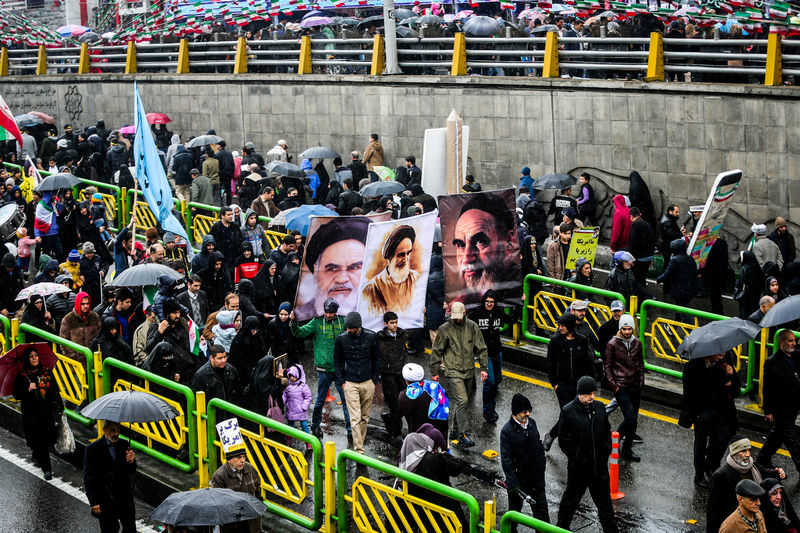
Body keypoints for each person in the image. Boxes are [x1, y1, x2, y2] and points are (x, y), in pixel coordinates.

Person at [555, 376, 618, 533]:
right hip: (579, 469)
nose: (592, 396)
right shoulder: (568, 412)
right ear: (580, 394)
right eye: (589, 394)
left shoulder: (600, 408)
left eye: (594, 393)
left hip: (599, 469)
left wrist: (606, 449)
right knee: (570, 502)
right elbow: (563, 440)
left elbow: (606, 432)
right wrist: (576, 456)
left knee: (605, 508)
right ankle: (560, 528)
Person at [430, 302, 488, 447]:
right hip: (453, 370)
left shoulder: (472, 326)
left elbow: (481, 348)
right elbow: (437, 350)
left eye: (459, 316)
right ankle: (464, 434)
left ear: (464, 313)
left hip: (468, 369)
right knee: (462, 400)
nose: (457, 319)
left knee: (463, 402)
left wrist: (484, 368)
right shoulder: (445, 329)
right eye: (454, 317)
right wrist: (435, 371)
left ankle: (454, 430)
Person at [291, 298, 351, 438]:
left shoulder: (343, 321)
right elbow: (299, 333)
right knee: (320, 400)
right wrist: (293, 322)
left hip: (340, 368)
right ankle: (315, 426)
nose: (328, 315)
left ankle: (350, 429)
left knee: (346, 400)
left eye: (331, 313)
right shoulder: (317, 322)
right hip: (324, 369)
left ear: (336, 312)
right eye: (326, 312)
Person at [681, 351, 740, 487]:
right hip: (702, 411)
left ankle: (711, 465)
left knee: (724, 437)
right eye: (718, 351)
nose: (722, 353)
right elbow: (692, 391)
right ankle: (699, 474)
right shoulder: (693, 367)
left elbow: (736, 389)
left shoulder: (726, 362)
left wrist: (731, 377)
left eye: (723, 351)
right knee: (700, 444)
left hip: (723, 410)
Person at [451, 194, 521, 306]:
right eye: (460, 245)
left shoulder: (523, 285)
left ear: (508, 241)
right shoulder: (461, 302)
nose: (467, 258)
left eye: (480, 242)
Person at [295, 217, 370, 319]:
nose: (342, 279)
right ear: (316, 271)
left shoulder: (382, 312)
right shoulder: (301, 317)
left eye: (354, 267)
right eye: (332, 269)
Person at [708, 436, 786, 533]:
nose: (748, 454)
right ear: (734, 453)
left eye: (749, 450)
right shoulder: (721, 475)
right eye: (743, 451)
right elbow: (713, 510)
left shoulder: (753, 466)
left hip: (753, 516)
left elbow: (766, 473)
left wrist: (779, 473)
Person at [543, 313, 593, 451]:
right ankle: (555, 437)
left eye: (563, 325)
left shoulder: (582, 340)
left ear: (570, 326)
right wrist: (555, 384)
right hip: (562, 385)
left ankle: (555, 435)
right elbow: (550, 363)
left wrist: (588, 382)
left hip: (577, 385)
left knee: (572, 413)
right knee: (569, 412)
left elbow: (587, 362)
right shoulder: (555, 341)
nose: (560, 328)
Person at [500, 393, 549, 529]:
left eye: (529, 410)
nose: (528, 414)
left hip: (536, 480)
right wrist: (513, 483)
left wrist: (541, 463)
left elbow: (538, 445)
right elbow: (506, 459)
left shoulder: (532, 423)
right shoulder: (507, 431)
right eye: (524, 411)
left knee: (542, 518)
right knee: (513, 516)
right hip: (518, 482)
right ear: (516, 412)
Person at [14, 346, 62, 480]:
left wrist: (60, 408)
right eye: (31, 356)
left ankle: (37, 455)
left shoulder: (46, 372)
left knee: (45, 439)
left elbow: (55, 390)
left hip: (46, 412)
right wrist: (27, 388)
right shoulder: (23, 375)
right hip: (31, 414)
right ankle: (47, 469)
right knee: (38, 439)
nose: (34, 358)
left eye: (36, 355)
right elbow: (16, 394)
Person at [334, 311, 379, 453]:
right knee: (355, 418)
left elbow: (376, 359)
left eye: (350, 328)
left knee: (365, 417)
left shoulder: (371, 337)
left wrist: (374, 380)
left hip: (367, 382)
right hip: (350, 382)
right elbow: (338, 361)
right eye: (347, 328)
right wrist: (342, 381)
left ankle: (359, 442)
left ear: (358, 327)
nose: (347, 330)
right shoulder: (341, 339)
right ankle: (359, 450)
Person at [469, 290, 515, 424]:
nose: (489, 304)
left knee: (497, 381)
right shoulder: (476, 314)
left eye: (492, 302)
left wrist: (520, 305)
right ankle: (487, 411)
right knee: (489, 382)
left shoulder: (498, 313)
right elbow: (464, 323)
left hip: (497, 351)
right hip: (484, 353)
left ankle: (492, 408)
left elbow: (511, 320)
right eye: (487, 301)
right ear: (484, 302)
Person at [757, 330, 800, 474]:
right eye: (790, 341)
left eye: (795, 341)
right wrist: (768, 410)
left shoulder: (795, 356)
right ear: (781, 343)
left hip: (793, 406)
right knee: (792, 440)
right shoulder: (772, 362)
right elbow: (767, 388)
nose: (794, 343)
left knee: (777, 435)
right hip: (781, 407)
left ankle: (762, 458)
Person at [83, 421, 137, 533]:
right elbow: (89, 478)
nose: (116, 433)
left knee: (130, 529)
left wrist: (131, 462)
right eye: (112, 430)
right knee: (110, 530)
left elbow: (131, 470)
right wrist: (93, 501)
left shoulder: (124, 444)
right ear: (104, 430)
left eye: (118, 430)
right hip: (105, 500)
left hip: (124, 499)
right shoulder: (93, 449)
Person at [603, 313, 644, 462]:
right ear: (620, 328)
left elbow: (640, 363)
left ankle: (626, 450)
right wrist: (615, 386)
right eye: (624, 329)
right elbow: (607, 367)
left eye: (629, 329)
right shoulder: (612, 344)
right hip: (621, 386)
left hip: (635, 386)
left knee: (634, 420)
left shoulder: (637, 343)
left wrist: (641, 382)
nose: (627, 332)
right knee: (630, 418)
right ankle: (615, 439)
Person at [362, 225, 421, 315]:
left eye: (408, 253)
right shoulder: (371, 289)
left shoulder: (418, 279)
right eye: (401, 255)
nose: (405, 260)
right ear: (390, 256)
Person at [374, 311, 410, 444]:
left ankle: (390, 418)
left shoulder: (402, 334)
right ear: (385, 323)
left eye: (396, 322)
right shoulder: (379, 337)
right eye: (392, 323)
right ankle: (397, 432)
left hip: (400, 372)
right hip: (387, 373)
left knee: (405, 400)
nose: (395, 325)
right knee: (394, 402)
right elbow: (376, 355)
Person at [209, 445, 262, 533]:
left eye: (244, 457)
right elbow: (218, 503)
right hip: (232, 524)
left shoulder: (250, 469)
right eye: (238, 457)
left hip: (252, 521)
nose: (242, 460)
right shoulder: (220, 476)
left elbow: (258, 492)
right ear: (229, 460)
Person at [59, 291, 102, 364]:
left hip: (93, 361)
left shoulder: (95, 317)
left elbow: (101, 336)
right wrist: (73, 357)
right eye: (83, 304)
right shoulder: (68, 319)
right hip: (76, 364)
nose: (86, 306)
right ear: (78, 303)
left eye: (87, 303)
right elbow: (63, 342)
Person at [282, 364, 313, 442]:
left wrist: (304, 407)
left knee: (304, 426)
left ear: (298, 376)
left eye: (294, 376)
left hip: (301, 411)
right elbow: (285, 395)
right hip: (291, 410)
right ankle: (288, 439)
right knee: (290, 426)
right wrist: (282, 401)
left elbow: (308, 397)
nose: (292, 378)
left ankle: (308, 441)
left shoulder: (303, 386)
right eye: (290, 376)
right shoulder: (288, 386)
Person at [628, 207, 654, 285]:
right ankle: (644, 295)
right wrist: (651, 256)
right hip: (648, 257)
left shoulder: (635, 225)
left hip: (639, 258)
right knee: (643, 278)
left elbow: (633, 243)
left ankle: (645, 295)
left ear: (631, 216)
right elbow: (652, 241)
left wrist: (631, 257)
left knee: (637, 281)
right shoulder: (647, 224)